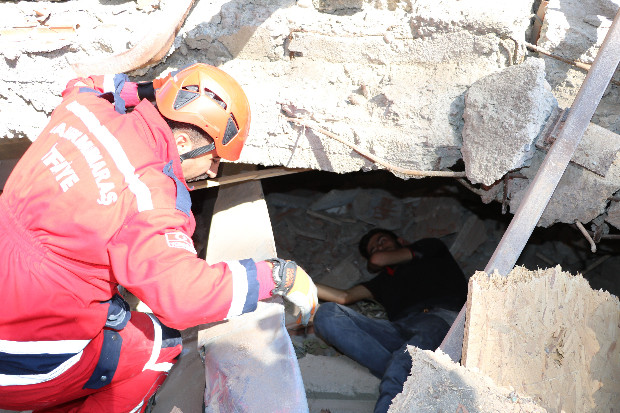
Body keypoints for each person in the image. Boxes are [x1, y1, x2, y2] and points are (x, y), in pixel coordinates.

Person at [0, 63, 317, 412]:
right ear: (181, 142)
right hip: (18, 361)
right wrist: (273, 275)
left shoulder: (83, 111)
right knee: (161, 343)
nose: (213, 170)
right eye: (213, 158)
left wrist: (151, 89)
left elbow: (85, 82)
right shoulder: (148, 199)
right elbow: (183, 297)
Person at [313, 228, 467, 413]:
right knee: (328, 314)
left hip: (440, 321)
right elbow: (344, 297)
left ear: (401, 241)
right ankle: (403, 372)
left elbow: (378, 260)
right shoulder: (382, 281)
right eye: (372, 249)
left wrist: (374, 257)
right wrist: (296, 280)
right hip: (399, 329)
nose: (378, 248)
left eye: (382, 241)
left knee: (402, 361)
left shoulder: (430, 249)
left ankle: (400, 371)